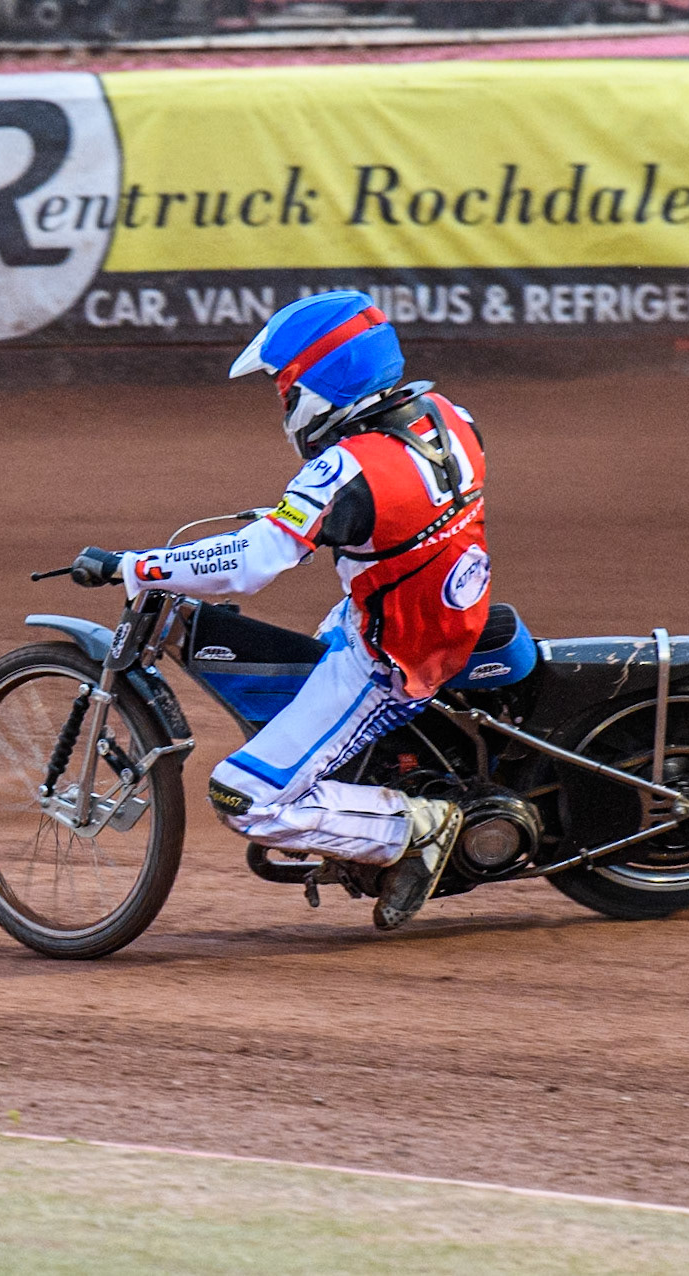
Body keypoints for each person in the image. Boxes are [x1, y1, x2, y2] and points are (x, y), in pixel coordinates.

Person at [70, 291, 489, 930]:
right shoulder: (447, 417)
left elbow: (255, 563)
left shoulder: (347, 466)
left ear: (323, 381)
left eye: (286, 390)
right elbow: (386, 515)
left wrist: (138, 566)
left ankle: (420, 827)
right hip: (435, 615)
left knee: (244, 798)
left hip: (391, 656)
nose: (284, 405)